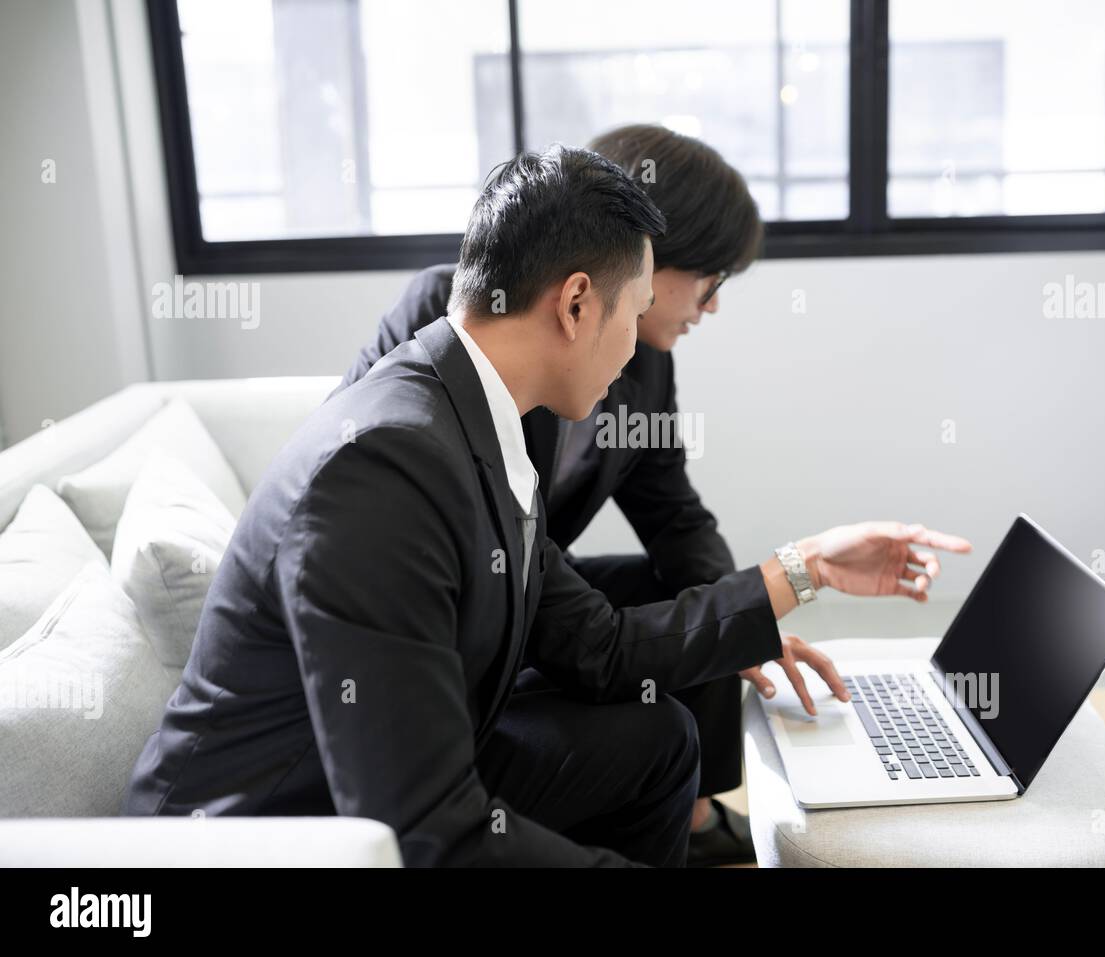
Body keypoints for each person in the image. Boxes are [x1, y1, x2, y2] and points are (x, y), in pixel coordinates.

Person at [123, 145, 970, 867]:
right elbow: (426, 832)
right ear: (574, 303)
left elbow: (598, 646)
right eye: (635, 313)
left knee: (658, 740)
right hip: (278, 826)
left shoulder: (478, 411)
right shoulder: (384, 466)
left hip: (422, 743)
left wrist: (808, 566)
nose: (639, 347)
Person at [335, 125, 771, 865]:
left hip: (532, 570)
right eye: (714, 279)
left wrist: (742, 620)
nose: (714, 305)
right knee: (658, 630)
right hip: (477, 581)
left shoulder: (645, 363)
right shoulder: (453, 324)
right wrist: (782, 586)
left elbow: (674, 512)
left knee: (680, 578)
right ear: (649, 257)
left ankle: (696, 808)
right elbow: (412, 506)